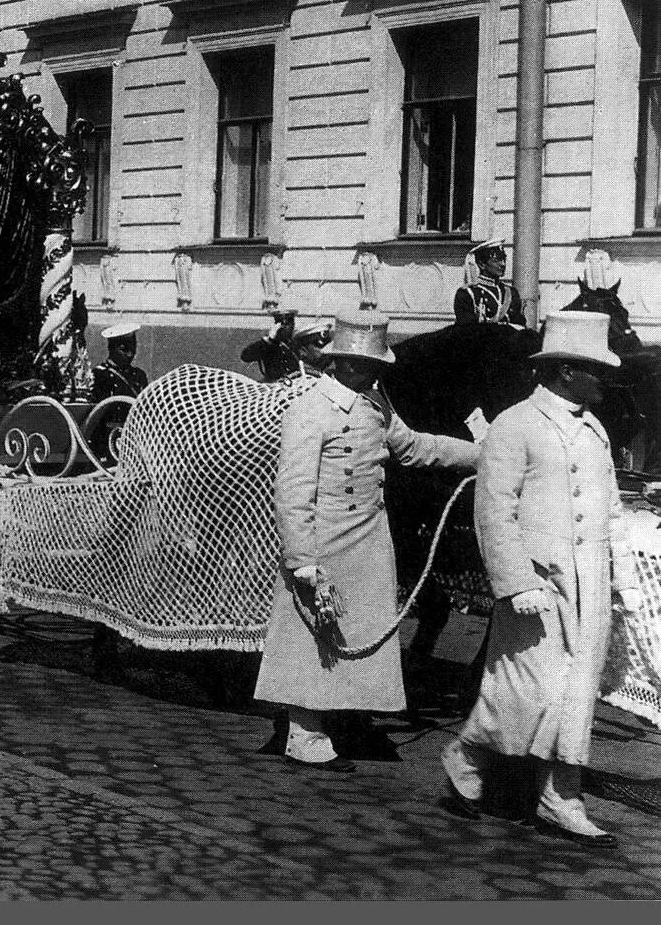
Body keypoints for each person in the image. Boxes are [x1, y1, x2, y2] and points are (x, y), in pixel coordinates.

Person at [440, 310, 642, 848]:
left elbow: (609, 510)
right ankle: (467, 752)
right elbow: (493, 514)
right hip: (536, 586)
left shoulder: (593, 430)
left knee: (576, 691)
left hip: (589, 584)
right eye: (596, 369)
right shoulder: (515, 425)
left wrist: (621, 577)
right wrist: (516, 582)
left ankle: (561, 797)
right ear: (567, 371)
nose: (604, 379)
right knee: (523, 686)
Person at [256, 309, 478, 771]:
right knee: (313, 630)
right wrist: (301, 558)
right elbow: (293, 492)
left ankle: (340, 716)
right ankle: (303, 730)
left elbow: (414, 448)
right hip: (325, 537)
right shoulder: (311, 409)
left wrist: (479, 455)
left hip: (369, 538)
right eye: (372, 366)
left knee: (360, 627)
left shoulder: (377, 404)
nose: (378, 374)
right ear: (347, 364)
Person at [453, 239, 527, 327]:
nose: (503, 264)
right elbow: (466, 330)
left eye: (504, 259)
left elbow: (520, 325)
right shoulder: (468, 294)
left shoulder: (511, 292)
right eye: (497, 260)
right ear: (482, 264)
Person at [91, 322, 148, 401]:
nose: (130, 354)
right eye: (124, 350)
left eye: (133, 348)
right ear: (111, 348)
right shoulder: (100, 375)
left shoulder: (139, 375)